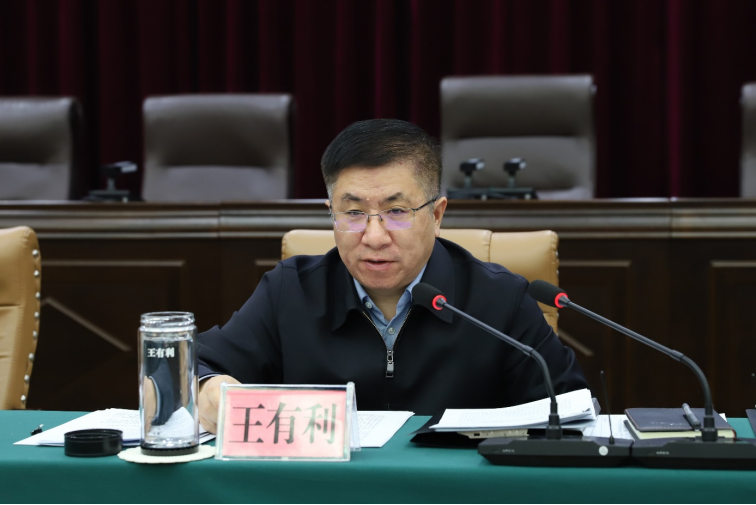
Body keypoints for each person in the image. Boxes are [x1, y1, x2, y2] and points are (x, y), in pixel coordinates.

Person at [197, 119, 588, 433]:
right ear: (331, 214)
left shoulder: (500, 299)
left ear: (437, 215)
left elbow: (570, 413)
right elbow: (197, 364)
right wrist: (208, 387)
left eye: (397, 212)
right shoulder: (291, 290)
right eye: (353, 213)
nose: (374, 237)